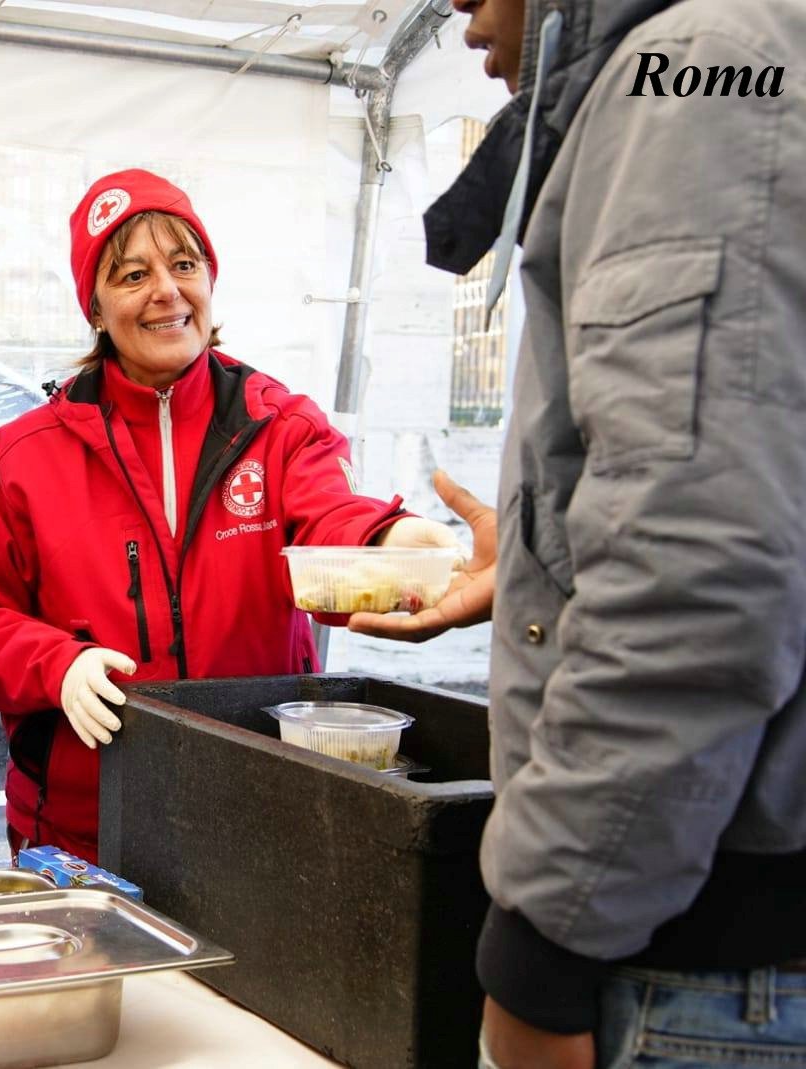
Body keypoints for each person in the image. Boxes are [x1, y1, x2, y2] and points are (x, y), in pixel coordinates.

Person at [354, 0, 806, 1063]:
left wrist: (544, 947)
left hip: (693, 969)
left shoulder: (693, 72)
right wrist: (536, 569)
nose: (461, 18)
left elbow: (696, 572)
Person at [0, 169, 458, 863]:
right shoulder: (23, 454)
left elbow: (329, 520)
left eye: (183, 265)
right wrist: (55, 663)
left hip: (264, 814)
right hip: (85, 829)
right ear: (95, 305)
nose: (166, 292)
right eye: (132, 274)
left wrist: (391, 539)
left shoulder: (279, 425)